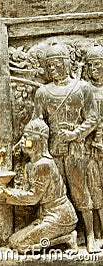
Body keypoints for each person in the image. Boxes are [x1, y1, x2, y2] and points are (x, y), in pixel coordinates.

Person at [32, 43, 99, 253]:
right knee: (57, 195)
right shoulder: (42, 92)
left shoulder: (82, 88)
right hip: (52, 150)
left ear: (66, 63)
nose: (52, 69)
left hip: (77, 150)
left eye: (55, 64)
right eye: (49, 65)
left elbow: (93, 117)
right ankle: (65, 235)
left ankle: (90, 235)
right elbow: (37, 120)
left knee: (80, 191)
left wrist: (75, 134)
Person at [0, 118, 78, 254]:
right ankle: (61, 237)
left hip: (61, 216)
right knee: (13, 241)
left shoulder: (44, 164)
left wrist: (8, 194)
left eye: (26, 138)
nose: (22, 141)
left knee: (22, 245)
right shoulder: (30, 165)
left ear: (37, 142)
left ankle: (67, 238)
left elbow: (33, 198)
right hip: (46, 215)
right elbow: (26, 191)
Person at [85, 44, 103, 238]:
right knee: (94, 189)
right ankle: (96, 233)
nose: (93, 70)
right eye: (90, 66)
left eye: (97, 64)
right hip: (90, 149)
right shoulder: (85, 90)